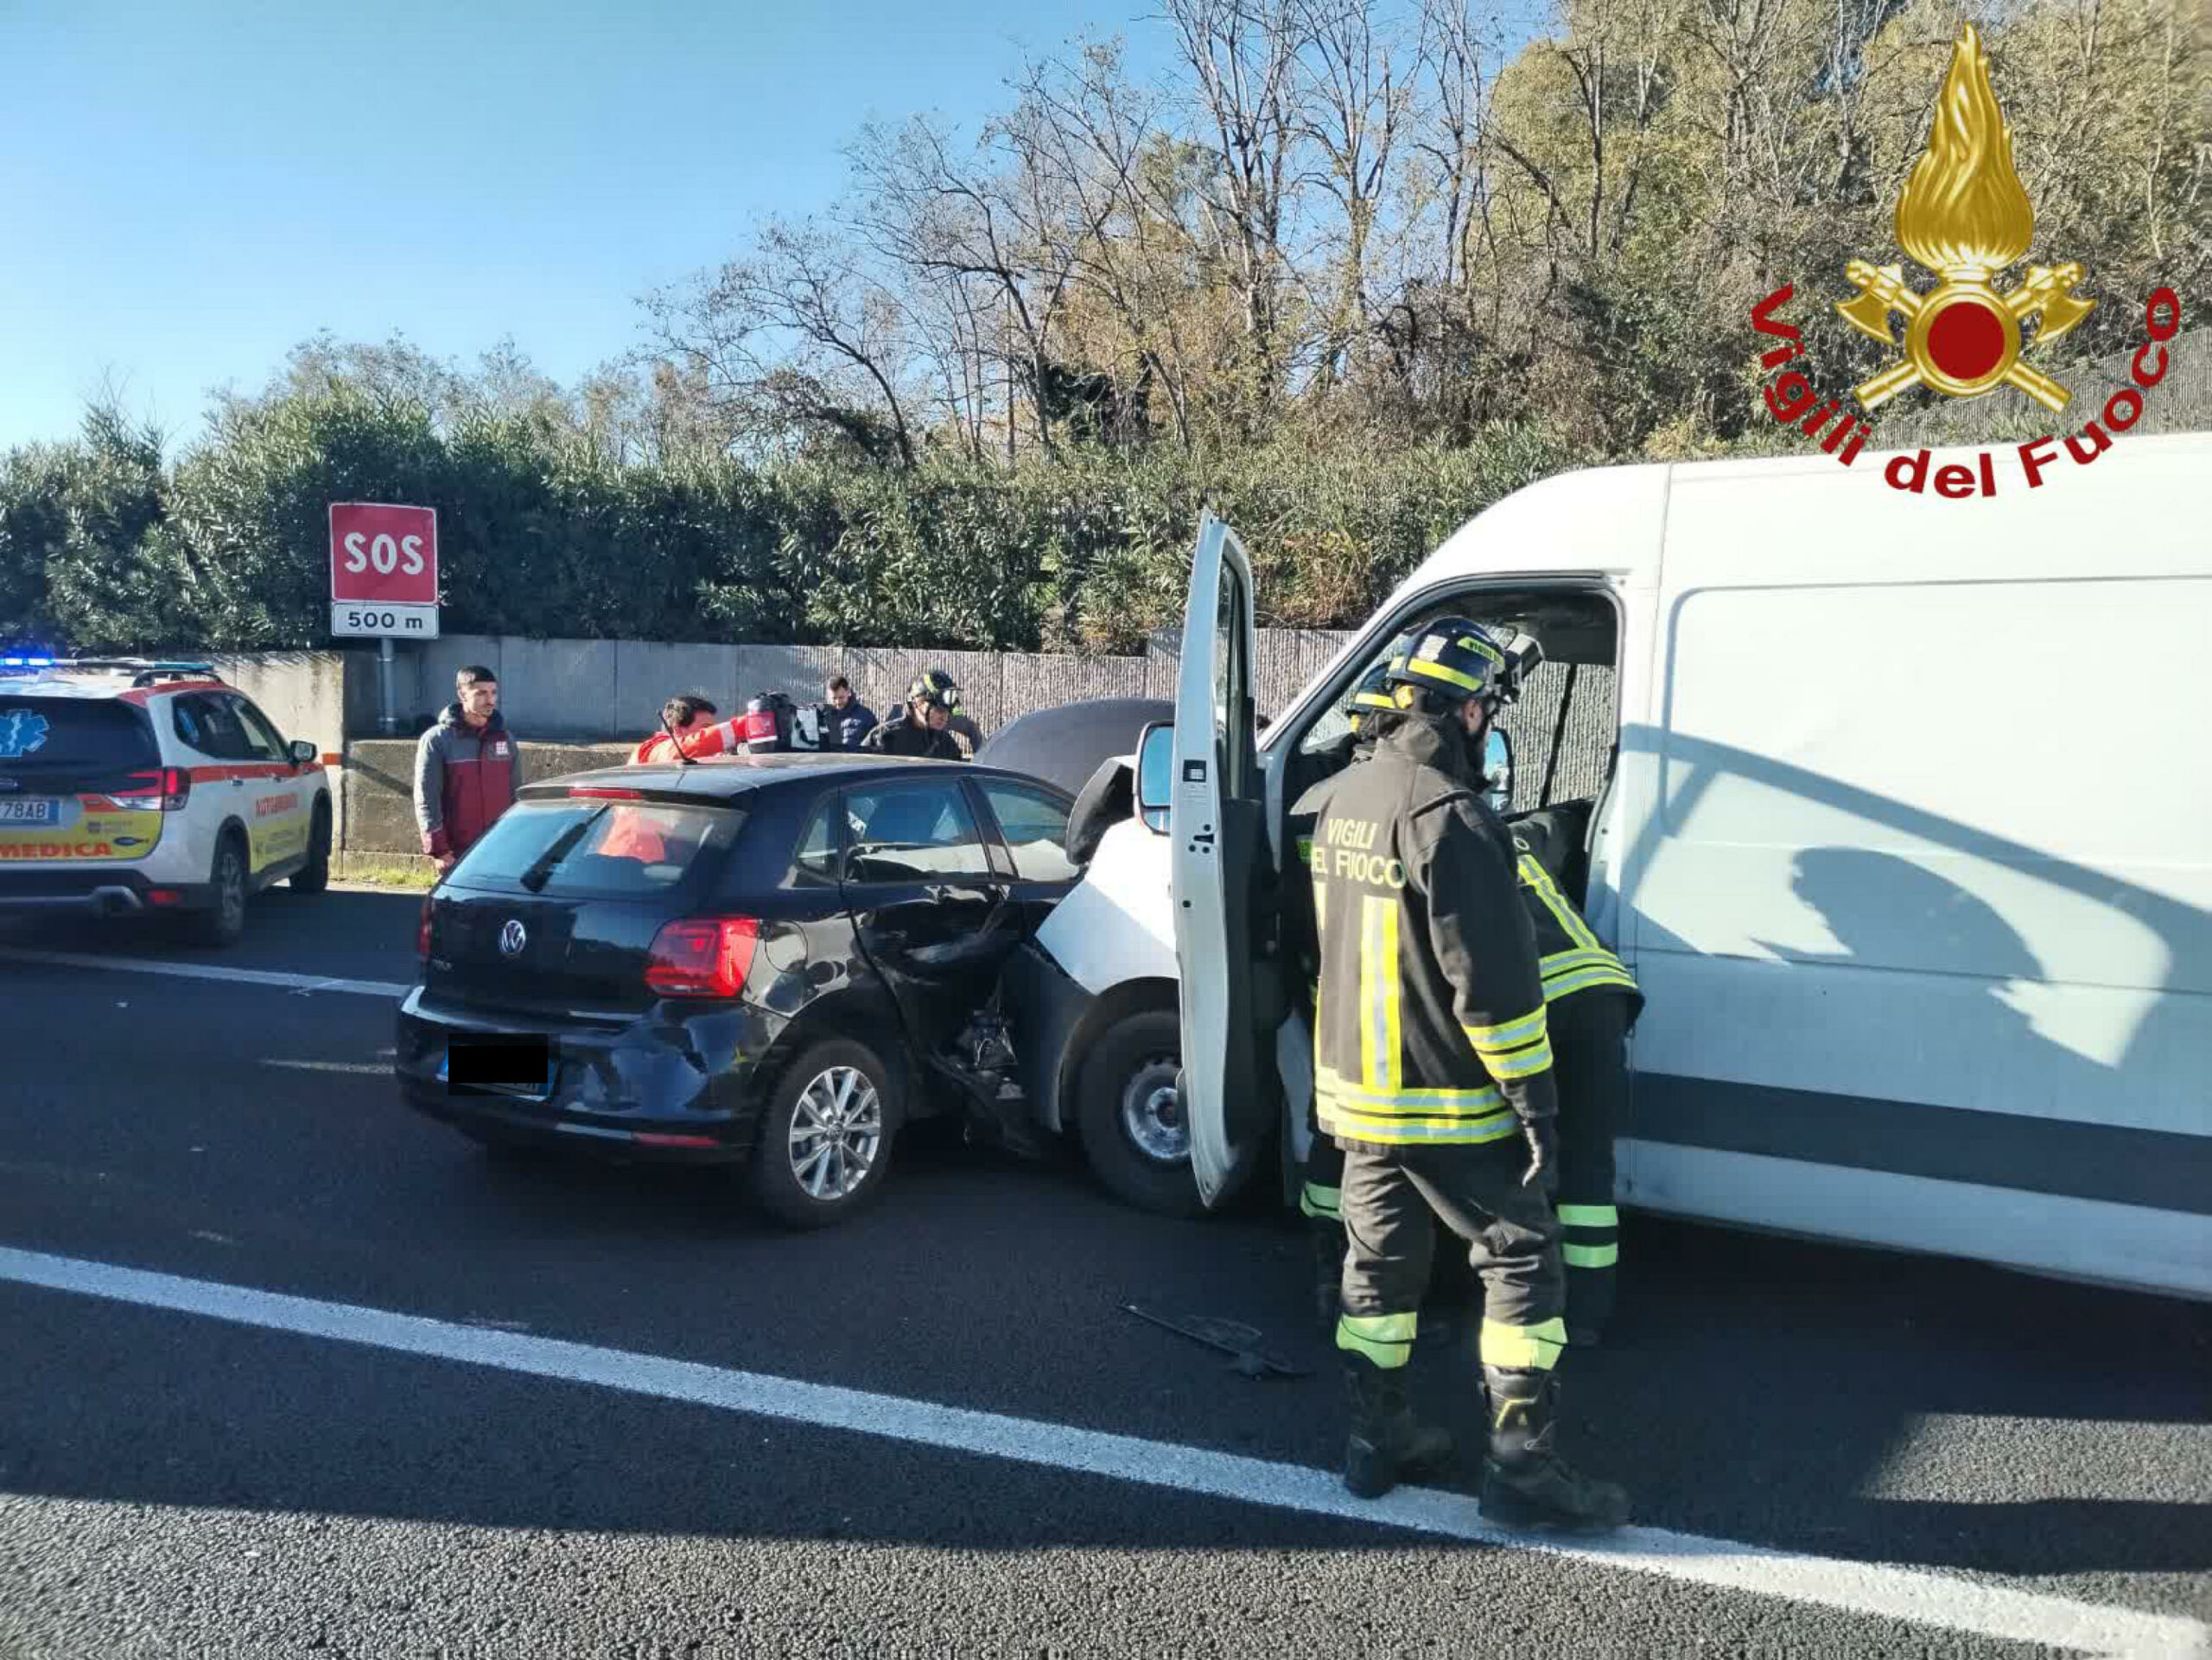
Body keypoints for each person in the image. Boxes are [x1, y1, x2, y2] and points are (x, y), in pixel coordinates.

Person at [1297, 617, 1628, 1531]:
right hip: (1449, 1103)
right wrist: (1537, 1111)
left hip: (1359, 1104)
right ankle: (1521, 1469)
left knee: (1380, 1275)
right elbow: (1494, 993)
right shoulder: (1453, 816)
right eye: (1489, 704)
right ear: (1471, 706)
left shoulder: (1340, 798)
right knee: (1522, 1260)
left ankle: (1376, 1440)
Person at [1506, 807, 1643, 1346]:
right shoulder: (1514, 839)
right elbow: (1557, 826)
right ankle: (1588, 1313)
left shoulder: (1445, 851)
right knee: (1590, 1160)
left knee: (1522, 1151)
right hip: (1602, 992)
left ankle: (1528, 1301)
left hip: (1543, 1001)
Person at [415, 665, 522, 877]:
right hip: (456, 854)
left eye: (493, 693)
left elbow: (516, 798)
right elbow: (427, 798)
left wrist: (517, 844)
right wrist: (440, 850)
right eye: (481, 693)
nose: (490, 700)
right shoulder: (437, 740)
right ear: (462, 694)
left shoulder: (505, 739)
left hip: (499, 849)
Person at [861, 670, 965, 760]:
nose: (944, 717)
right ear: (917, 703)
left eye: (948, 712)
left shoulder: (946, 743)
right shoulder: (884, 737)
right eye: (939, 710)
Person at [628, 692, 738, 764]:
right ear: (678, 729)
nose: (710, 733)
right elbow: (673, 752)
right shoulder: (650, 750)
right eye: (705, 729)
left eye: (712, 729)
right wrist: (742, 727)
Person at [820, 676, 876, 752]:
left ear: (848, 692)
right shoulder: (822, 717)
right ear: (828, 697)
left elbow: (875, 747)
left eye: (841, 697)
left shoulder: (865, 716)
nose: (838, 702)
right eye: (834, 699)